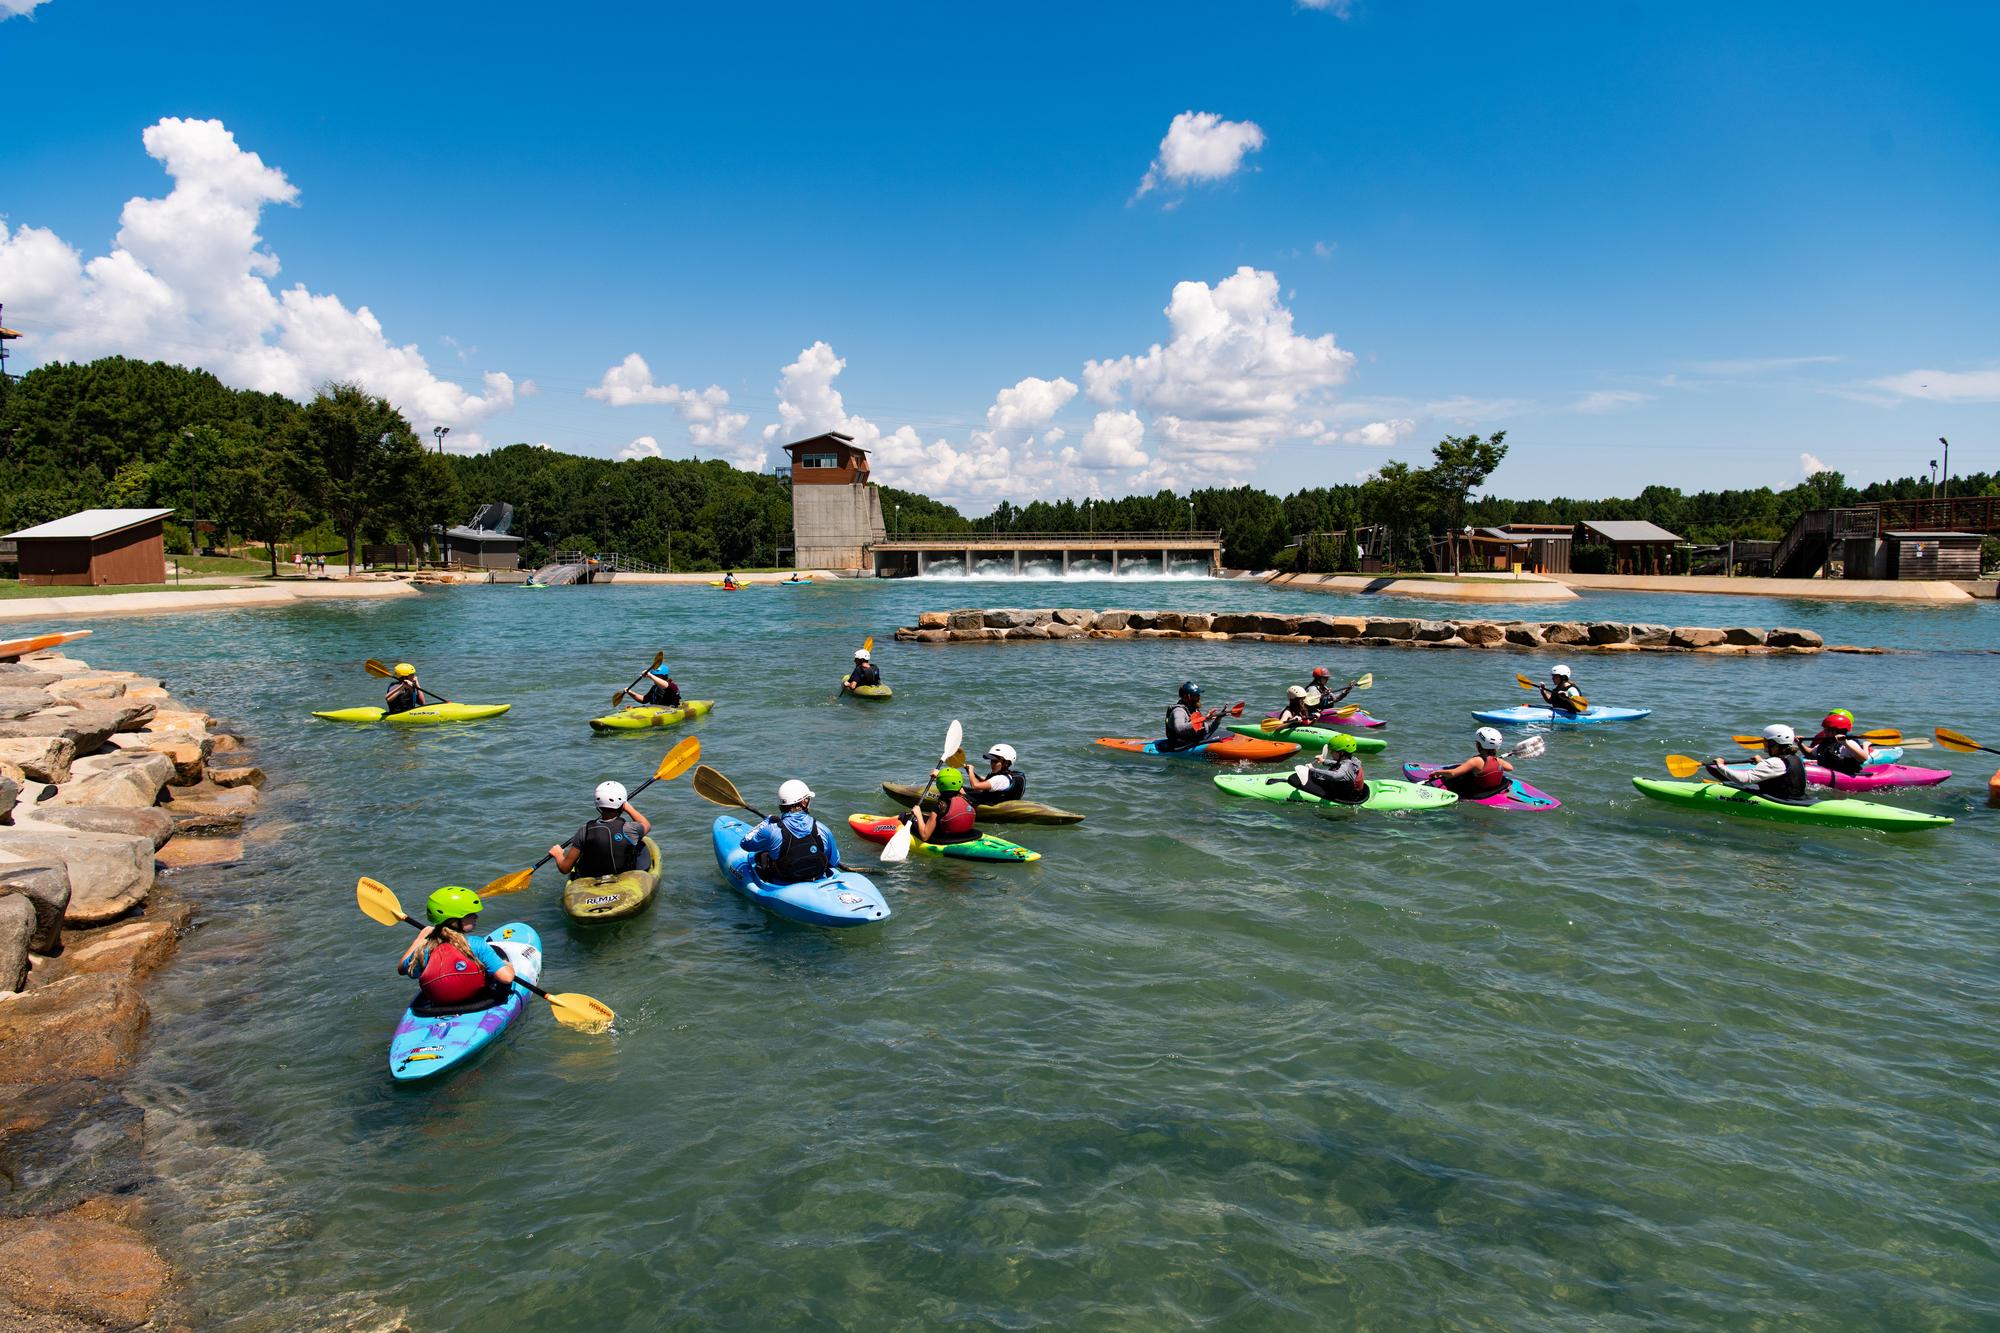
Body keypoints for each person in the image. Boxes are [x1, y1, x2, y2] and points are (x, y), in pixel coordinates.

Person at [397, 886, 517, 1011]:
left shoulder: (424, 950)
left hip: (439, 1006)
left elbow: (402, 969)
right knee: (496, 951)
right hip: (478, 1002)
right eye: (470, 914)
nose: (476, 917)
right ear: (454, 920)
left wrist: (420, 939)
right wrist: (507, 964)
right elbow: (507, 978)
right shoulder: (476, 944)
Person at [740, 779, 842, 883]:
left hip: (785, 881)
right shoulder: (822, 829)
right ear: (804, 802)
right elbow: (834, 862)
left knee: (761, 855)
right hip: (817, 878)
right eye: (808, 798)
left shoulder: (771, 830)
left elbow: (745, 843)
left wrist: (766, 822)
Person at [550, 781, 653, 879]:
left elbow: (564, 868)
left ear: (597, 804)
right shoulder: (630, 829)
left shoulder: (584, 830)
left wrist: (558, 855)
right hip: (622, 875)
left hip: (591, 877)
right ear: (622, 805)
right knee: (641, 844)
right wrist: (627, 807)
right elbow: (646, 825)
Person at [1707, 723, 1809, 799]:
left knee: (1736, 784)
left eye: (1765, 742)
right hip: (1797, 798)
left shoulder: (1774, 762)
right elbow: (1779, 770)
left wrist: (1720, 766)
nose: (1764, 745)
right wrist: (1761, 762)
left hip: (1781, 800)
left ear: (1773, 743)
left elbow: (1743, 779)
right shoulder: (1796, 758)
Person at [1426, 727, 1513, 798]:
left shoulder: (1475, 761)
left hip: (1475, 792)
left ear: (1479, 745)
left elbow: (1453, 773)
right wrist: (1494, 762)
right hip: (1491, 790)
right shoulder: (1499, 761)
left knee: (1447, 779)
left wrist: (1437, 772)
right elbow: (1510, 768)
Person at [1287, 733, 1367, 803]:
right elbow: (1340, 764)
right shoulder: (1352, 760)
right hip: (1346, 789)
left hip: (1344, 796)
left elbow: (1336, 776)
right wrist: (1323, 761)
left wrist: (1312, 770)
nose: (1331, 752)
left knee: (1304, 781)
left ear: (1341, 753)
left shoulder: (1346, 769)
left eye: (1333, 751)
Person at [910, 766, 980, 844]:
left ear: (938, 785)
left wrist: (918, 814)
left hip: (947, 838)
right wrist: (941, 776)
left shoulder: (939, 807)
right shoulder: (968, 799)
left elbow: (925, 836)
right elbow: (956, 786)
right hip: (967, 835)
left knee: (907, 817)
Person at [1804, 709, 1871, 776]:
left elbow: (1864, 758)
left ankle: (1866, 745)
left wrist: (1845, 743)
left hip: (1847, 774)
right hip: (1827, 773)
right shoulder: (1826, 742)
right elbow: (1810, 754)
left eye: (1826, 730)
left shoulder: (1849, 743)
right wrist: (1799, 743)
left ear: (1835, 731)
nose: (1823, 732)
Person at [1162, 680, 1219, 752]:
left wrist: (1218, 719)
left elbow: (1206, 731)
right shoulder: (1179, 711)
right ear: (1186, 697)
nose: (1199, 697)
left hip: (1191, 742)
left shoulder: (1193, 710)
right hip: (1179, 746)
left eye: (1199, 694)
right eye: (1196, 695)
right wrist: (1203, 719)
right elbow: (1179, 728)